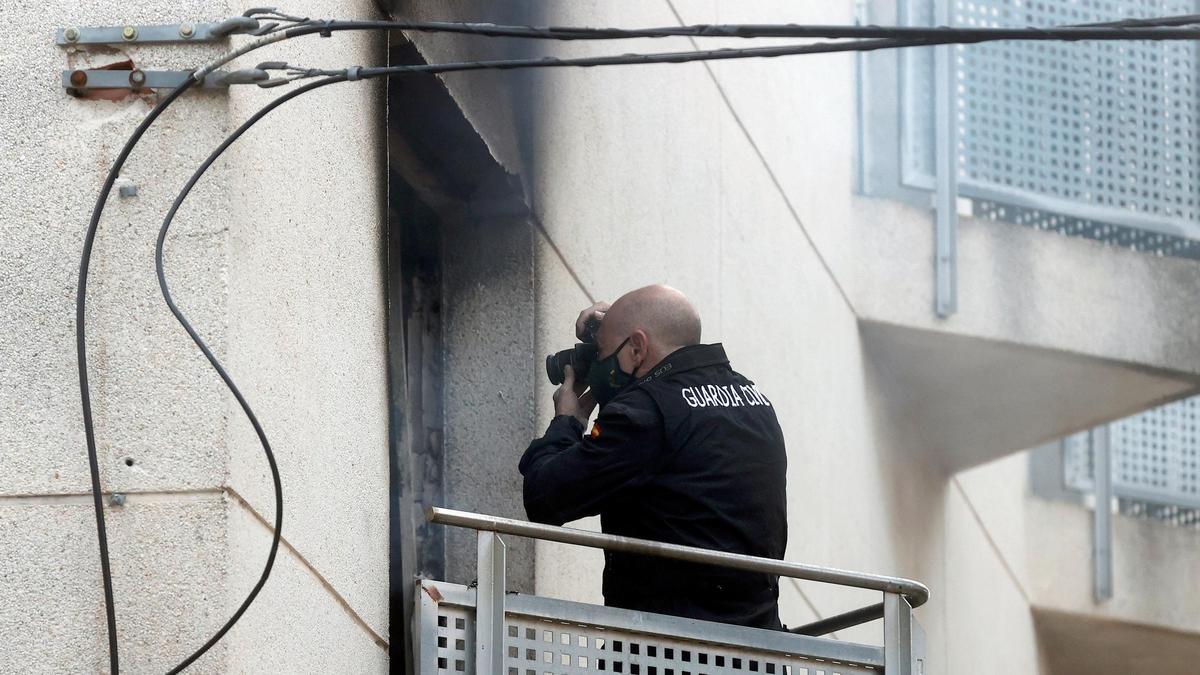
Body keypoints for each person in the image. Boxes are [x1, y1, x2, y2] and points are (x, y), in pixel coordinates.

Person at [519, 284, 789, 630]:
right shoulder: (755, 402)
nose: (598, 366)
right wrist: (612, 332)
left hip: (668, 652)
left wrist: (567, 422)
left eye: (600, 354)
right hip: (757, 649)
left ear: (637, 348)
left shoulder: (644, 414)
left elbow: (544, 496)